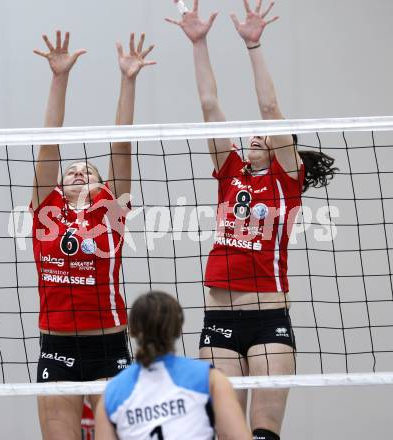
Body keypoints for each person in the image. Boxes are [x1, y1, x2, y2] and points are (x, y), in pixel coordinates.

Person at [166, 1, 338, 439]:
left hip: (267, 318)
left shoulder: (286, 180)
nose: (257, 134)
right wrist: (199, 42)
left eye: (270, 136)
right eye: (255, 134)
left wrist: (253, 44)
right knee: (223, 433)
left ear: (288, 151)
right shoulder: (231, 173)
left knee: (263, 432)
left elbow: (270, 106)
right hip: (217, 319)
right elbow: (209, 105)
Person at [31, 30, 155, 440]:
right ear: (59, 186)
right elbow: (48, 147)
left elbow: (122, 146)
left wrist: (128, 80)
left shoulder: (110, 215)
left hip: (108, 345)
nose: (79, 171)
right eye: (73, 170)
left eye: (90, 170)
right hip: (57, 346)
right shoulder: (46, 211)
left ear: (103, 185)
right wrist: (58, 78)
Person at [96, 291, 252, 440]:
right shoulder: (209, 378)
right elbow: (236, 436)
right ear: (179, 329)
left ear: (132, 331)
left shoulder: (111, 393)